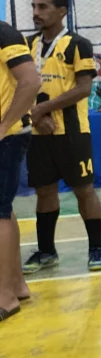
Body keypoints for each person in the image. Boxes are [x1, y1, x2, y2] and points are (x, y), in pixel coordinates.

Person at [21, 0, 101, 274]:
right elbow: (18, 86)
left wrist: (43, 109)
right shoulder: (26, 44)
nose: (36, 12)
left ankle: (96, 248)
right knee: (44, 192)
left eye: (43, 7)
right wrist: (34, 116)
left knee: (84, 190)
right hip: (37, 134)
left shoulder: (78, 44)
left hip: (72, 133)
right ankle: (47, 251)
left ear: (61, 11)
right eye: (34, 6)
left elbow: (83, 88)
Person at [0, 21, 41, 320]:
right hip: (8, 135)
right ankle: (16, 284)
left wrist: (3, 126)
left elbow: (31, 81)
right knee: (3, 209)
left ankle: (5, 296)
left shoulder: (3, 34)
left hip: (8, 136)